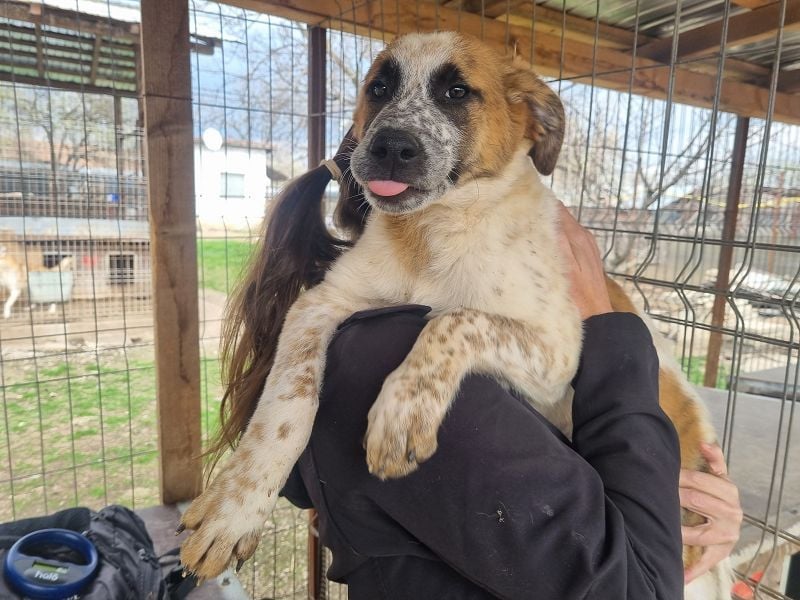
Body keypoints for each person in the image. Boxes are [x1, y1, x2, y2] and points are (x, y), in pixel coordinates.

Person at [214, 132, 741, 598]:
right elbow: (638, 585)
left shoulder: (345, 336)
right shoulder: (390, 354)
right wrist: (604, 324)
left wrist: (687, 503)